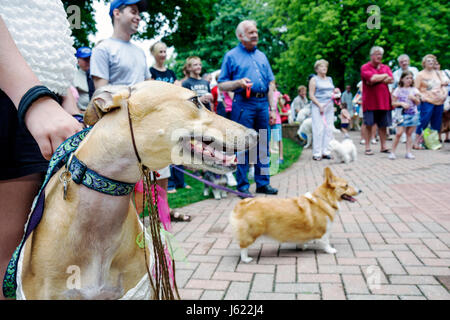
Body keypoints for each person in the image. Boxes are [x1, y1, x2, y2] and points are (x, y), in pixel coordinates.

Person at [0, 2, 84, 299]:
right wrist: (32, 99)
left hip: (45, 103)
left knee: (36, 250)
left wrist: (66, 102)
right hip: (16, 98)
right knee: (10, 257)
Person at [218, 19, 278, 196]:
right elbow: (222, 85)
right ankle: (243, 186)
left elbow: (271, 83)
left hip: (262, 104)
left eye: (256, 31)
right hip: (243, 103)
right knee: (243, 145)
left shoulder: (262, 55)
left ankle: (262, 183)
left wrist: (273, 109)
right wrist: (238, 83)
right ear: (240, 36)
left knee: (263, 144)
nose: (255, 34)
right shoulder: (231, 56)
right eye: (251, 32)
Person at [149, 41, 191, 201]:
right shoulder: (150, 71)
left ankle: (180, 181)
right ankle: (170, 183)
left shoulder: (171, 72)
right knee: (165, 150)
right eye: (160, 51)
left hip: (173, 115)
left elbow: (177, 91)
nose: (164, 54)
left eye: (165, 51)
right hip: (159, 117)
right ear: (153, 54)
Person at [90, 0, 150, 88]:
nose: (138, 18)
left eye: (139, 14)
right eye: (133, 12)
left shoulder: (140, 51)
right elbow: (101, 94)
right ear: (117, 13)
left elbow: (148, 84)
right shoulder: (102, 49)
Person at [360, 46, 394, 155]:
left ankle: (383, 146)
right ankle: (367, 147)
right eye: (376, 54)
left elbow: (391, 79)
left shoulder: (385, 67)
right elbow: (371, 79)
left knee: (383, 125)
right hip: (370, 101)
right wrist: (383, 77)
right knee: (368, 124)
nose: (379, 56)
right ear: (371, 55)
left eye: (380, 54)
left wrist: (376, 79)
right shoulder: (365, 67)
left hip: (384, 102)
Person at [413, 54, 447, 150]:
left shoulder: (438, 73)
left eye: (432, 61)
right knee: (424, 121)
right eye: (429, 61)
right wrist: (421, 96)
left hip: (439, 101)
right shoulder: (420, 74)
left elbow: (443, 85)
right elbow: (415, 89)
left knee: (436, 122)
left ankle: (432, 142)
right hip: (427, 101)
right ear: (424, 63)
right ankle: (416, 142)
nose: (431, 63)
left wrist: (444, 94)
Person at [389, 71, 421, 160]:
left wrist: (414, 98)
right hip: (401, 114)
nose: (409, 80)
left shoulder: (414, 90)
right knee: (399, 133)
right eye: (407, 78)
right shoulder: (398, 90)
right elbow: (393, 103)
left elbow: (418, 102)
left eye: (411, 78)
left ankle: (408, 152)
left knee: (409, 134)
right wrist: (401, 103)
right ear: (402, 79)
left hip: (413, 114)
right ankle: (392, 152)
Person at [309, 59, 335, 161]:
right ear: (317, 69)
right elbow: (311, 95)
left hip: (329, 106)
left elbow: (332, 92)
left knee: (329, 129)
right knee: (318, 129)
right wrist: (319, 105)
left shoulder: (329, 79)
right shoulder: (314, 80)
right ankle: (317, 153)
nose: (324, 68)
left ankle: (326, 151)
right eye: (322, 66)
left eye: (326, 66)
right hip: (318, 106)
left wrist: (336, 93)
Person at [73, 47, 95, 113]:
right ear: (78, 61)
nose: (88, 61)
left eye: (90, 58)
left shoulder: (97, 75)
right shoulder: (73, 76)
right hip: (82, 112)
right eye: (85, 59)